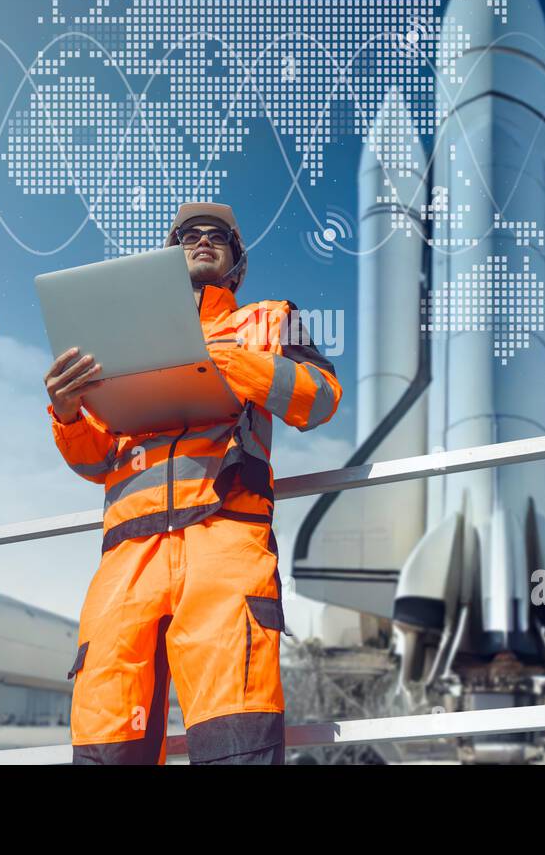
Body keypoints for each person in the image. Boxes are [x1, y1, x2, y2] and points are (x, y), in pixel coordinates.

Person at [43, 201, 342, 764]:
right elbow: (95, 459)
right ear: (168, 255)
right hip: (126, 561)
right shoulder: (119, 340)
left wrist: (229, 361)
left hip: (225, 540)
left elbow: (321, 397)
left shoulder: (271, 319)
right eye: (187, 235)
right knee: (108, 731)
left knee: (237, 736)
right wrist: (65, 412)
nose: (203, 241)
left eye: (218, 236)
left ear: (237, 260)